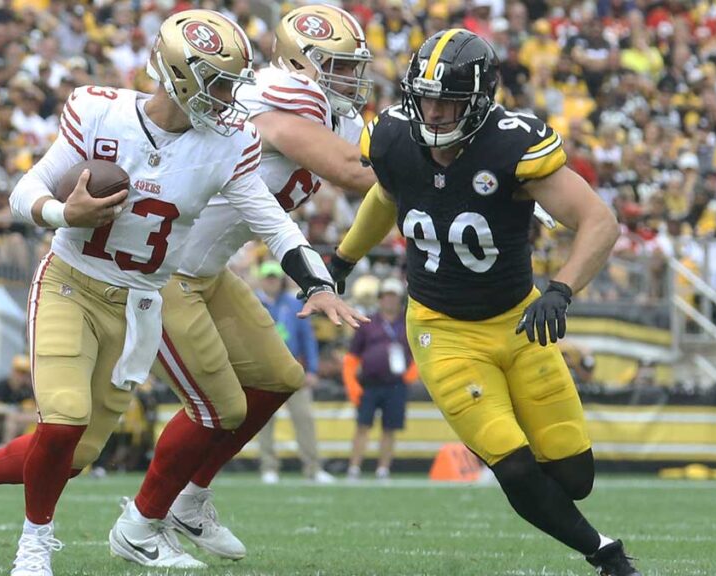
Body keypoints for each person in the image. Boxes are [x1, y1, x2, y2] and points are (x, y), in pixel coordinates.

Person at [0, 10, 361, 575]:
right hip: (72, 283)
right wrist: (61, 211)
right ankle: (34, 546)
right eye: (218, 82)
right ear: (179, 75)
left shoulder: (226, 145)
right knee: (65, 419)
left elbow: (272, 221)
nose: (229, 97)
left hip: (141, 300)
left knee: (78, 453)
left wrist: (316, 278)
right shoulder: (99, 110)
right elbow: (25, 189)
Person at [327, 29, 642, 576]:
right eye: (424, 97)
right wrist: (341, 262)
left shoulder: (511, 143)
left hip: (518, 322)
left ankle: (558, 498)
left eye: (447, 100)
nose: (433, 111)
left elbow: (599, 221)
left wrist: (561, 289)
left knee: (574, 477)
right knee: (511, 461)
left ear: (478, 100)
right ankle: (604, 553)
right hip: (441, 329)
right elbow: (386, 194)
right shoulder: (395, 138)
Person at [111, 4, 374, 567]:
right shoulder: (278, 100)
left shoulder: (339, 115)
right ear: (300, 63)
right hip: (165, 272)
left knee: (280, 376)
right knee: (215, 407)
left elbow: (373, 166)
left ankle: (190, 498)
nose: (352, 78)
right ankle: (140, 522)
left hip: (210, 271)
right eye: (339, 66)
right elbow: (358, 173)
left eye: (355, 66)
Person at [255, 260, 333, 485]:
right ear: (262, 280)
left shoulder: (294, 303)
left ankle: (313, 467)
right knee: (264, 423)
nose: (271, 282)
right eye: (268, 278)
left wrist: (313, 369)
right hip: (265, 372)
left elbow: (307, 338)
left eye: (274, 278)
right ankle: (268, 467)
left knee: (305, 419)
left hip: (293, 369)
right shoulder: (253, 304)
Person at [343, 276, 416, 480]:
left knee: (390, 428)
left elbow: (418, 351)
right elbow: (352, 356)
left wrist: (412, 374)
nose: (390, 301)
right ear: (380, 299)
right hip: (370, 382)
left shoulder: (408, 323)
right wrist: (352, 383)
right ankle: (354, 467)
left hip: (396, 384)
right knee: (362, 426)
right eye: (386, 296)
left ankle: (383, 468)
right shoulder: (368, 322)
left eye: (393, 297)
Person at [0, 355, 38, 446]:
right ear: (12, 371)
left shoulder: (28, 390)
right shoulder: (1, 386)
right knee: (11, 420)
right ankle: (6, 448)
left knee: (19, 421)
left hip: (18, 422)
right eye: (18, 371)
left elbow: (33, 410)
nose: (21, 376)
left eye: (24, 373)